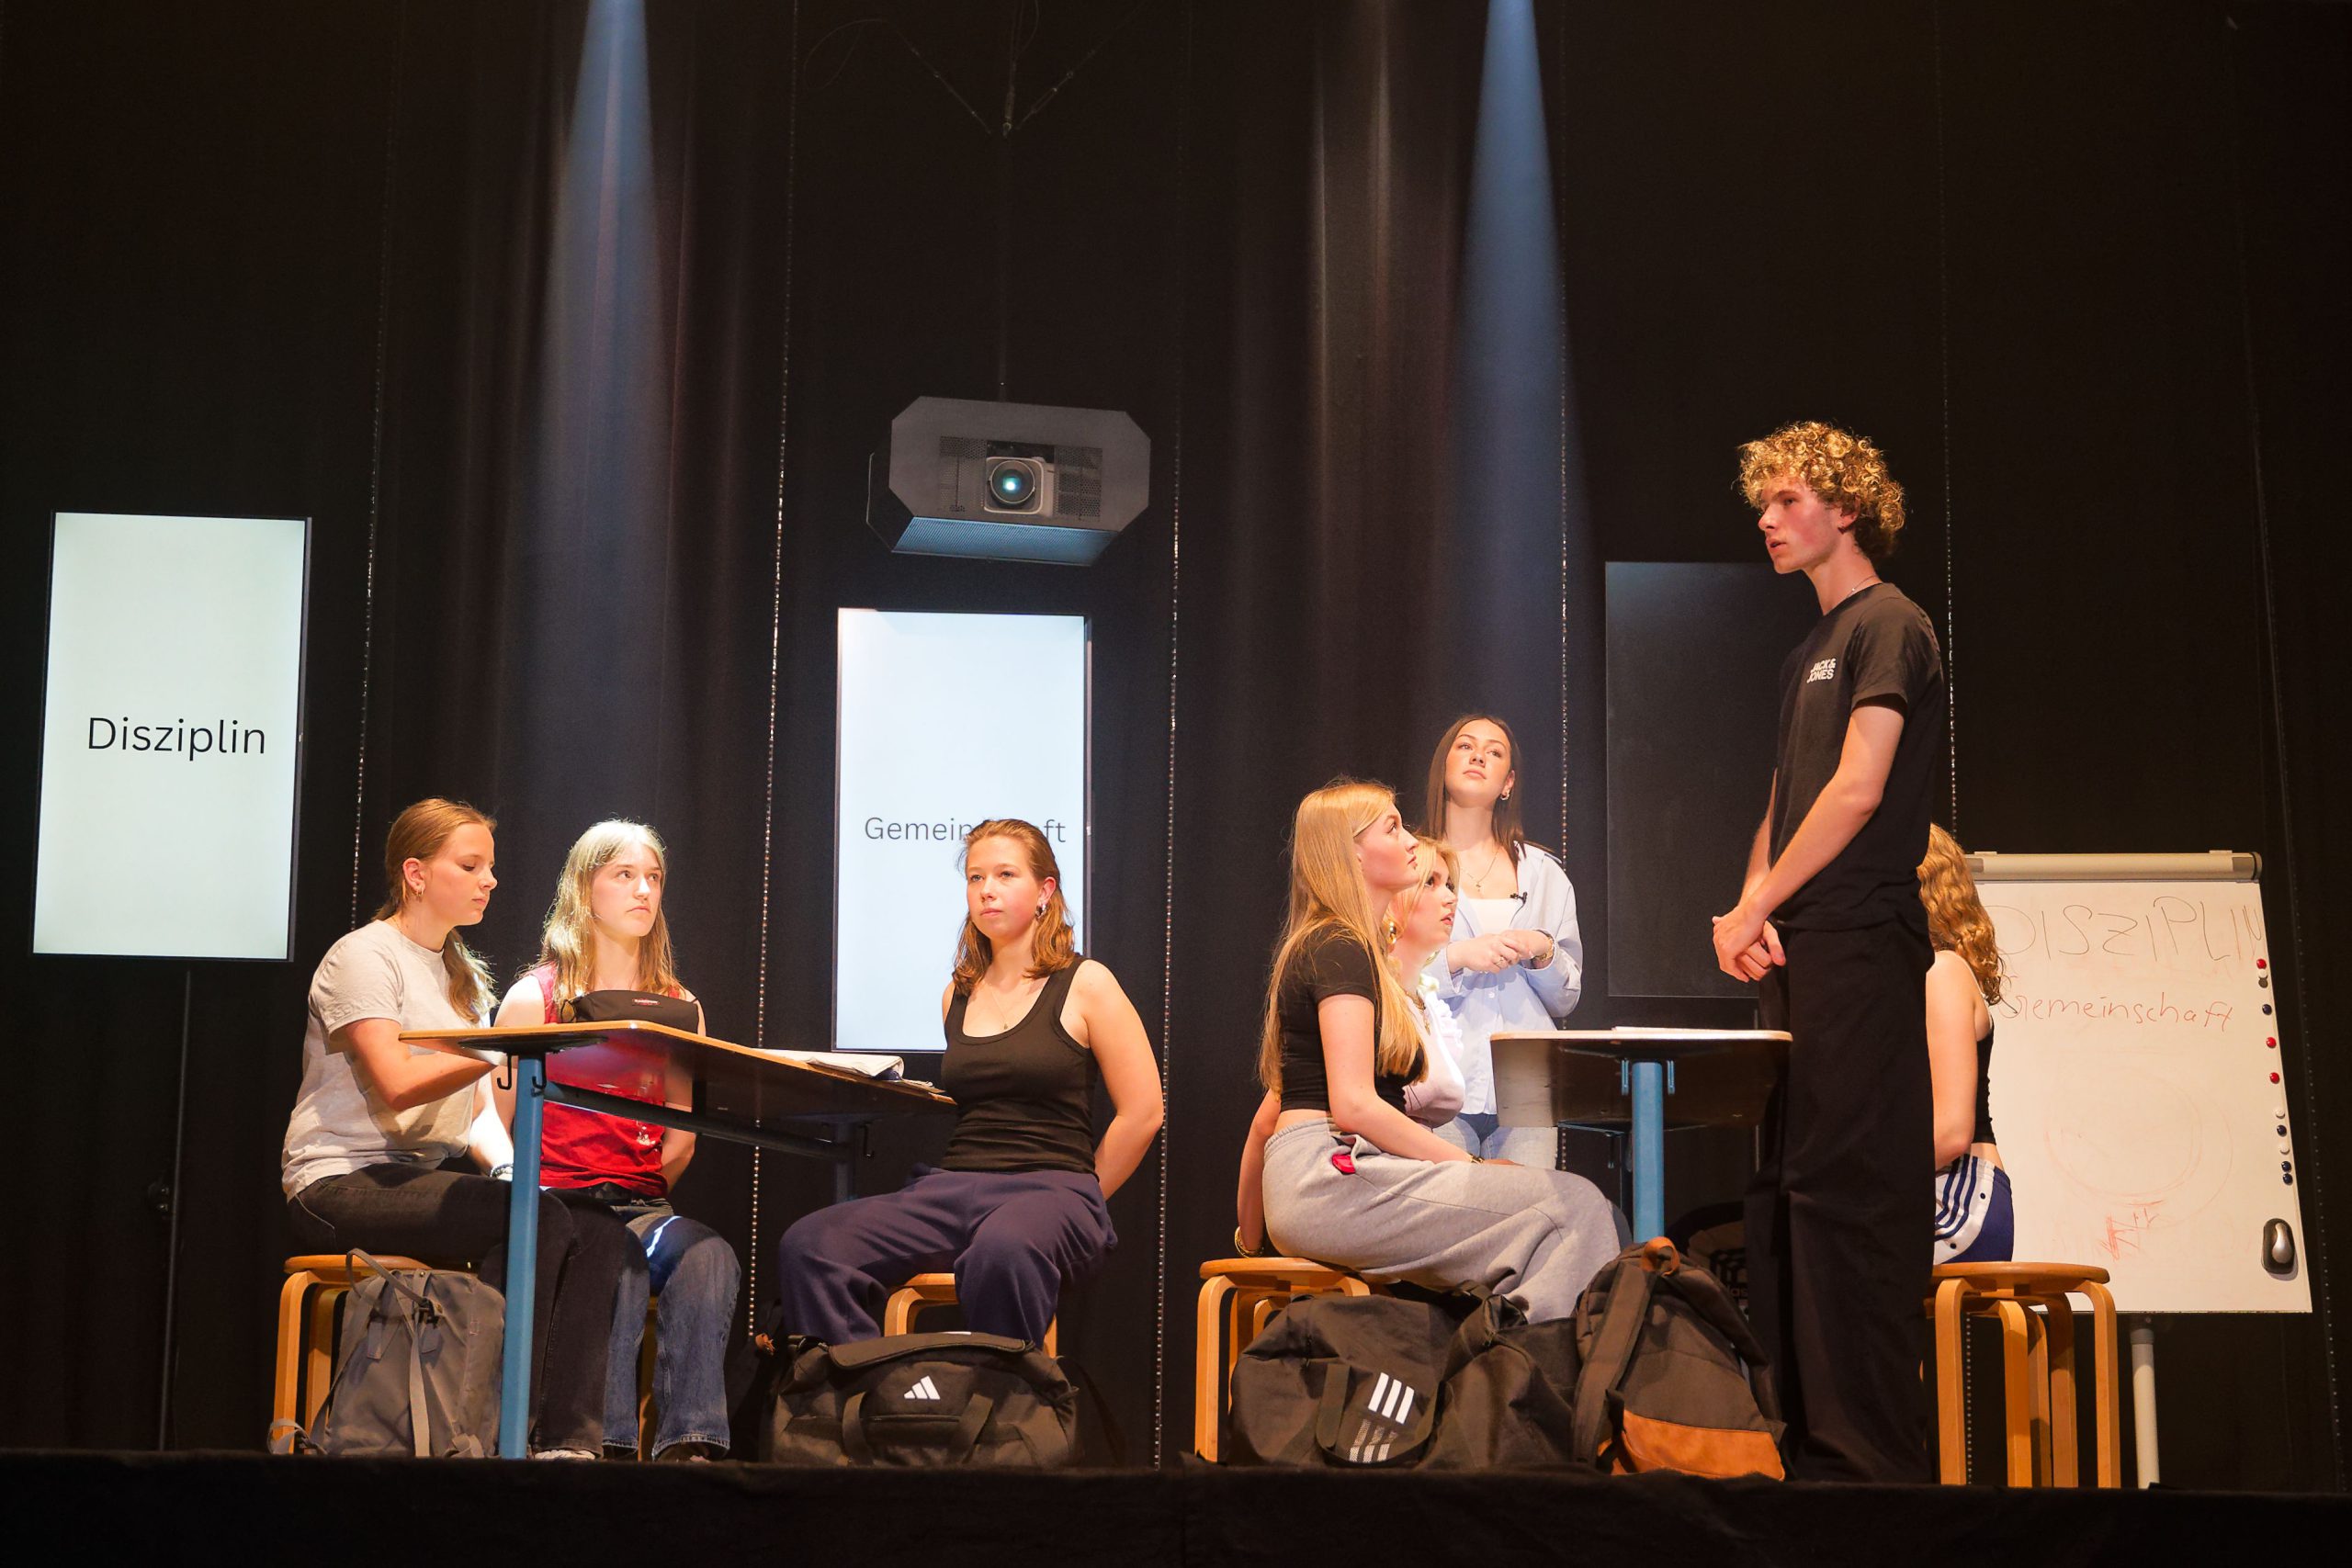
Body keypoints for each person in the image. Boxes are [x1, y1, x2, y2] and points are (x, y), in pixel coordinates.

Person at [1712, 421, 1947, 1483]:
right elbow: (1787, 797)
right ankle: (1806, 1451)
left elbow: (1856, 790)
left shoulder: (1889, 625)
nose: (1767, 520)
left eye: (1788, 500)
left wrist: (1761, 901)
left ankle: (1869, 1467)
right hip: (1798, 951)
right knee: (1789, 1194)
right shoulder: (1802, 652)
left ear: (1845, 508)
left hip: (1859, 941)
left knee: (1851, 1194)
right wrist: (1748, 909)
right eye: (1761, 503)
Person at [281, 798, 630, 1458]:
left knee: (594, 1225)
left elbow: (474, 1112)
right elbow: (397, 1081)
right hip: (337, 1180)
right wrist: (500, 1048)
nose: (489, 880)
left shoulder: (460, 974)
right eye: (470, 866)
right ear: (415, 873)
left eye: (489, 867)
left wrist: (508, 1168)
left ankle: (565, 1442)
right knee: (534, 1222)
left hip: (412, 1177)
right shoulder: (364, 956)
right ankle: (490, 1431)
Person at [1239, 781, 1622, 1321]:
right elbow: (1353, 1106)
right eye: (1392, 828)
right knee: (1569, 1208)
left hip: (1337, 1171)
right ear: (1353, 851)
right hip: (1329, 1175)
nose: (1410, 842)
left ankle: (1511, 1358)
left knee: (1569, 1211)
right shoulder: (1339, 947)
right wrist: (1474, 1166)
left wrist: (1252, 1237)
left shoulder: (1355, 951)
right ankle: (1526, 1368)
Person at [775, 818, 1163, 1346]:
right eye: (976, 877)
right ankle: (870, 1385)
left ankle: (998, 1394)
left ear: (1045, 890)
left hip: (1052, 1187)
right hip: (953, 1187)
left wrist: (1084, 1194)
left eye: (1005, 875)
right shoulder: (957, 995)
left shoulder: (1086, 982)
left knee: (1004, 1247)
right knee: (811, 1244)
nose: (987, 890)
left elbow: (1144, 1111)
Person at [484, 819, 741, 1461]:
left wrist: (639, 1187)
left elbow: (681, 1136)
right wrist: (532, 1196)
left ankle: (690, 1444)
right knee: (614, 1254)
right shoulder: (535, 997)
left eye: (653, 877)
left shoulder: (680, 1007)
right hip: (561, 1207)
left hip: (643, 1203)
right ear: (584, 888)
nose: (643, 890)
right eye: (624, 875)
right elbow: (494, 1119)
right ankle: (608, 1445)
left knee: (709, 1255)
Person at [1235, 831, 1468, 1251]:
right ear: (1393, 896)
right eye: (1430, 883)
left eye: (1450, 884)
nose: (1450, 897)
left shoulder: (1428, 1005)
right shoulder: (1353, 995)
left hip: (1422, 1179)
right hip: (1374, 1186)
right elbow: (1267, 1122)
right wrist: (1250, 1246)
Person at [1420, 714, 1584, 1163]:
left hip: (1526, 1091)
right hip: (1436, 1089)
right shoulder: (1410, 865)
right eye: (1465, 746)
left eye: (1494, 752)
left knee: (1526, 1204)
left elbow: (1566, 999)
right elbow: (1387, 977)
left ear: (1508, 783)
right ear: (1444, 766)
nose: (1478, 756)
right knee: (1445, 1206)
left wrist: (1543, 951)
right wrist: (1456, 957)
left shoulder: (1544, 873)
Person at [1919, 825, 2010, 1265]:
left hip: (1955, 1200)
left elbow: (1951, 1133)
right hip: (1928, 1191)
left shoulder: (1942, 972)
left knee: (1792, 1255)